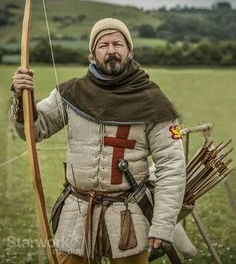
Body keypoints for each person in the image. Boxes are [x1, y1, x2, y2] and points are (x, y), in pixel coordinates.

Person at [10, 18, 186, 264]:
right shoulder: (71, 94)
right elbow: (32, 131)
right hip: (77, 214)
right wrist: (22, 97)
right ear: (92, 54)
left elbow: (172, 166)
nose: (111, 50)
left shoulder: (152, 101)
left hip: (129, 216)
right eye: (103, 45)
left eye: (118, 44)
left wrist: (162, 226)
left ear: (130, 51)